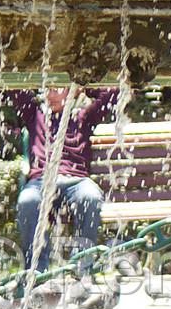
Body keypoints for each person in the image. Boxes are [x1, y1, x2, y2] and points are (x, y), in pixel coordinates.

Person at [12, 87, 118, 274]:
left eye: (56, 89)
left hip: (76, 181)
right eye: (48, 89)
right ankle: (36, 272)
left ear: (72, 92)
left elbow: (113, 93)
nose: (50, 95)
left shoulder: (84, 118)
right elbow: (13, 87)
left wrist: (83, 83)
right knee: (28, 201)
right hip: (42, 182)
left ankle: (83, 269)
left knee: (90, 197)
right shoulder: (35, 115)